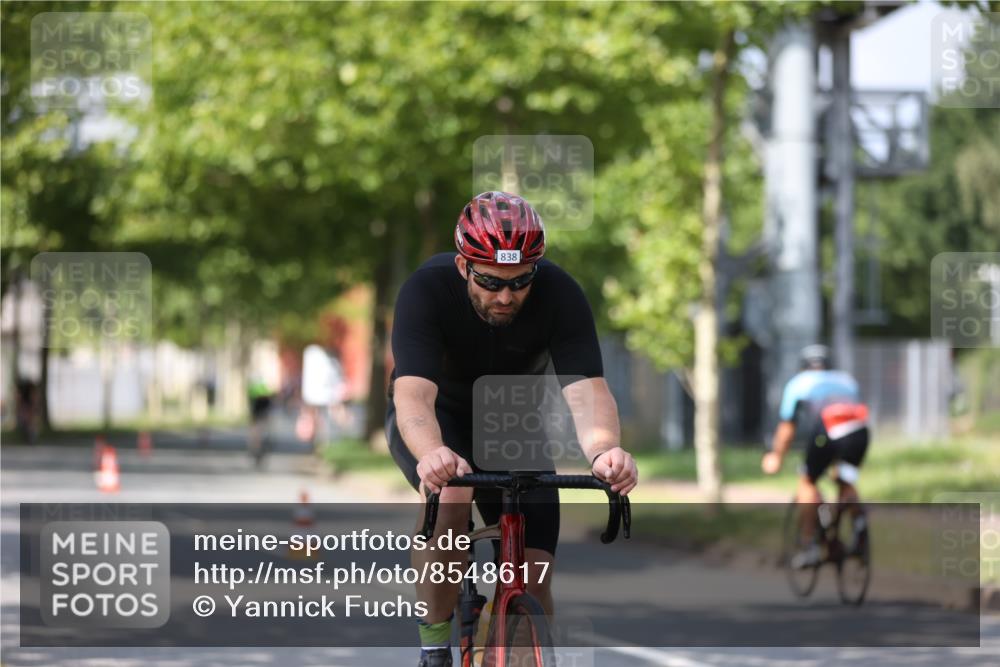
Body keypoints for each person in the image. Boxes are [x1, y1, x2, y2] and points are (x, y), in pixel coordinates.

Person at [386, 191, 639, 667]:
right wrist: (433, 452)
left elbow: (586, 390)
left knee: (534, 574)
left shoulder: (560, 294)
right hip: (437, 417)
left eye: (520, 281)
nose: (505, 296)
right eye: (490, 281)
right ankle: (434, 647)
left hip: (509, 421)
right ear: (463, 266)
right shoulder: (426, 290)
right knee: (452, 493)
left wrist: (605, 451)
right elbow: (413, 396)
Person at [761, 344, 870, 567]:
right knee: (845, 480)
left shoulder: (799, 383)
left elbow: (787, 428)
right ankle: (859, 529)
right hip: (859, 432)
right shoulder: (846, 380)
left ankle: (809, 544)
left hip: (828, 430)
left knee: (807, 482)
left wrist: (776, 456)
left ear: (804, 366)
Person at [246, 377, 274, 468]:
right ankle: (256, 451)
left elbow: (251, 406)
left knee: (256, 436)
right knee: (259, 436)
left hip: (258, 418)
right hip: (260, 418)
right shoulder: (265, 393)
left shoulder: (254, 392)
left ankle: (255, 451)